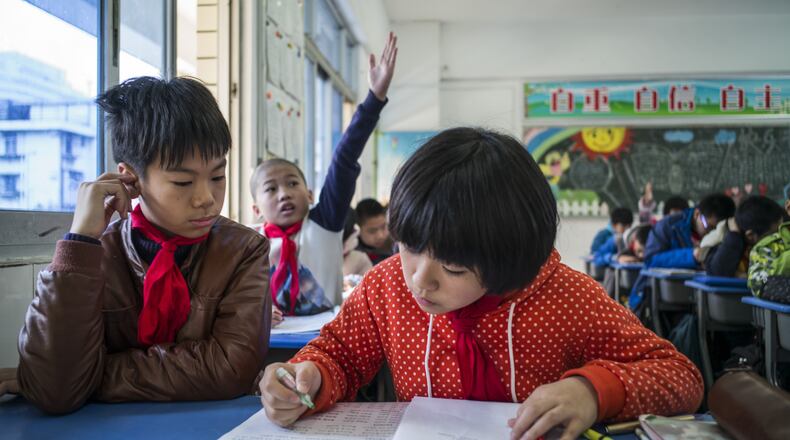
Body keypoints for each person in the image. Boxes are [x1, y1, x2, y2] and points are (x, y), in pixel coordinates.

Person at [258, 127, 703, 440]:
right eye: (409, 245)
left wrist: (593, 390)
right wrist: (307, 377)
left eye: (453, 269)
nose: (420, 279)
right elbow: (338, 352)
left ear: (509, 259)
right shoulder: (388, 286)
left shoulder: (567, 298)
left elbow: (680, 376)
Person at [10, 77, 271, 414]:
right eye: (183, 182)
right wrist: (79, 240)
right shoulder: (93, 254)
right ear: (129, 178)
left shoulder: (243, 250)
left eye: (217, 177)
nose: (207, 199)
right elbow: (55, 390)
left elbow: (230, 369)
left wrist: (90, 379)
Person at [250, 33, 397, 316]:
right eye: (271, 189)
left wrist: (374, 100)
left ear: (309, 194)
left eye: (293, 184)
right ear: (255, 208)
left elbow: (343, 160)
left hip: (321, 339)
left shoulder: (324, 223)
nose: (284, 193)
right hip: (265, 339)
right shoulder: (249, 243)